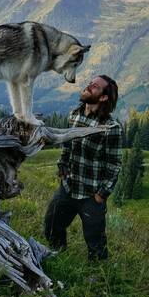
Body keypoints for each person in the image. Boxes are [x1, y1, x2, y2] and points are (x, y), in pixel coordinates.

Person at [44, 75, 123, 261]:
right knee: (52, 225)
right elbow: (67, 146)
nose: (88, 87)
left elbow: (114, 163)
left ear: (103, 97)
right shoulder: (74, 115)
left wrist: (102, 194)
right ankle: (59, 257)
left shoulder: (111, 128)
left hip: (91, 195)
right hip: (69, 187)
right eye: (89, 83)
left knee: (95, 243)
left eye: (94, 87)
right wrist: (62, 167)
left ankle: (99, 278)